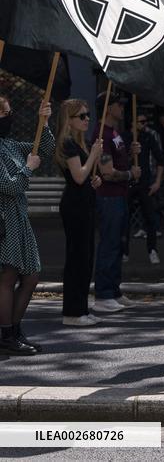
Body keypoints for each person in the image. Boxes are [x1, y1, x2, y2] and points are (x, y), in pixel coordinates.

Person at [0, 96, 53, 354]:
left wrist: (44, 122)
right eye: (5, 114)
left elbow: (41, 149)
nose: (9, 118)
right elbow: (9, 186)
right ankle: (6, 335)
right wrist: (28, 169)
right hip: (4, 218)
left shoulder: (8, 144)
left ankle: (13, 328)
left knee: (30, 276)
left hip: (18, 218)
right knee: (7, 277)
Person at [54, 99, 103, 326]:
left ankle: (80, 308)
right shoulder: (67, 144)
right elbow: (78, 176)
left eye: (88, 115)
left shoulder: (78, 143)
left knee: (86, 257)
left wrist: (94, 180)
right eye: (81, 116)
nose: (87, 120)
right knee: (77, 258)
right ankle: (72, 312)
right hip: (75, 206)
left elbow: (84, 178)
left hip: (84, 202)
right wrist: (93, 155)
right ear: (70, 120)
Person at [91, 92, 141, 314]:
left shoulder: (115, 133)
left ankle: (114, 290)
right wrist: (131, 174)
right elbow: (108, 172)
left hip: (119, 196)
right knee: (109, 244)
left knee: (118, 244)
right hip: (108, 197)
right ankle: (103, 293)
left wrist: (130, 153)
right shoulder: (102, 134)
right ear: (107, 108)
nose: (122, 108)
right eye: (118, 105)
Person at [124, 107, 164, 265]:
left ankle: (152, 250)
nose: (144, 124)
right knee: (124, 219)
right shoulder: (125, 137)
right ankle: (124, 251)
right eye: (141, 122)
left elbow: (160, 159)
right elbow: (119, 160)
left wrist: (158, 182)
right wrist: (130, 152)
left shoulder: (148, 136)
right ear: (133, 123)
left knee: (150, 218)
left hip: (145, 183)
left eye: (145, 121)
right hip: (128, 182)